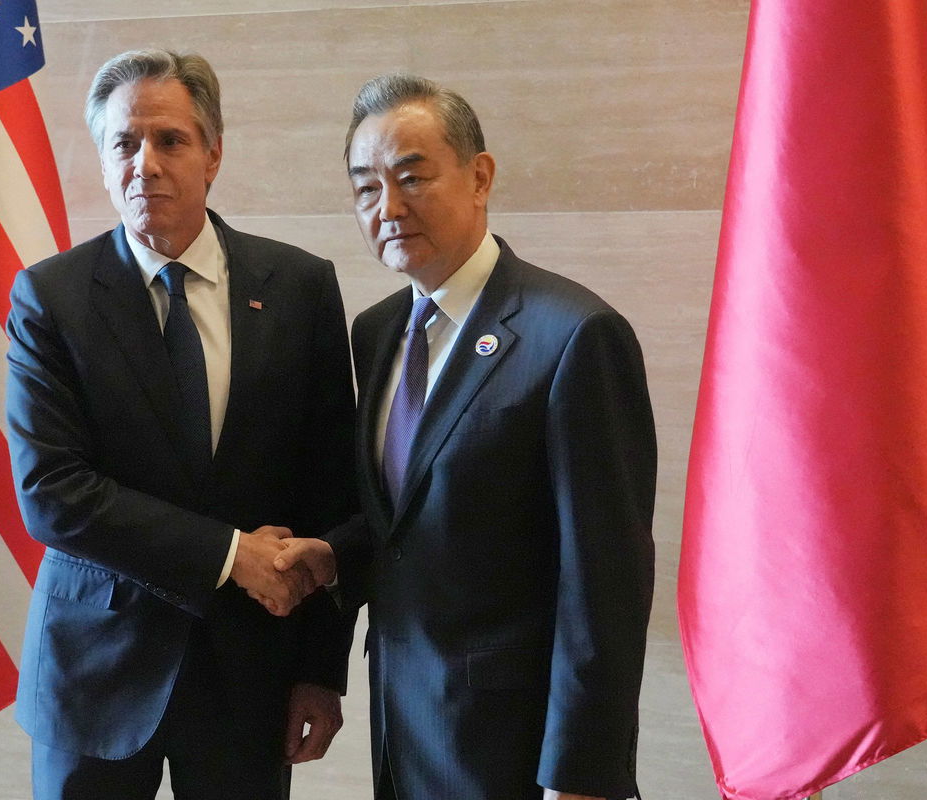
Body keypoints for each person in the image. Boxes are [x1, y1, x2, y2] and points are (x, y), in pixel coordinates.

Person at [273, 74, 657, 800]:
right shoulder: (378, 331)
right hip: (406, 733)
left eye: (412, 176)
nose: (387, 207)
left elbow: (606, 583)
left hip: (519, 750)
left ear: (479, 176)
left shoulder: (572, 336)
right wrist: (336, 555)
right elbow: (411, 518)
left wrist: (581, 775)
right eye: (365, 188)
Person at [4, 49, 356, 800]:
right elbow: (53, 492)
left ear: (213, 154)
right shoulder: (51, 298)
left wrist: (320, 672)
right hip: (95, 675)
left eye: (170, 140)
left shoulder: (300, 287)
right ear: (103, 163)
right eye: (123, 144)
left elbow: (331, 491)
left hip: (250, 675)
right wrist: (231, 554)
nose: (146, 164)